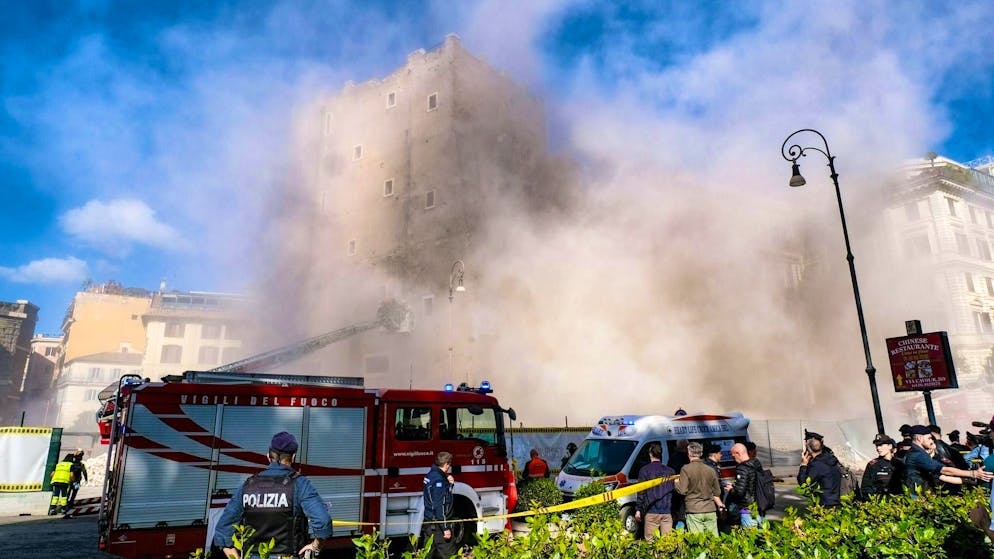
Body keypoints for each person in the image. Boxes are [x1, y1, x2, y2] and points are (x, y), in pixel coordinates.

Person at [214, 432, 330, 559]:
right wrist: (315, 546)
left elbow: (222, 531)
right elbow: (323, 521)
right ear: (294, 457)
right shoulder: (300, 484)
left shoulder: (248, 485)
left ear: (268, 456)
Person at [902, 425, 992, 495]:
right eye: (929, 438)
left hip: (923, 494)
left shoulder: (919, 454)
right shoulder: (917, 455)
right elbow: (944, 470)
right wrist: (973, 474)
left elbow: (941, 476)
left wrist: (970, 481)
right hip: (918, 495)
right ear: (919, 438)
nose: (932, 441)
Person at [674, 442, 723, 535]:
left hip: (694, 510)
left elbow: (682, 490)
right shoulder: (710, 470)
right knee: (713, 541)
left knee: (698, 542)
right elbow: (717, 491)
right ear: (701, 453)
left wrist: (676, 483)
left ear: (689, 454)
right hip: (710, 509)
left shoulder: (686, 469)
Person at [634, 442, 676, 540]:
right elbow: (674, 492)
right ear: (661, 455)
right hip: (666, 512)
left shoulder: (644, 471)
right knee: (667, 543)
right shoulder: (670, 471)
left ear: (650, 455)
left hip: (651, 511)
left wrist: (638, 509)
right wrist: (674, 510)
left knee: (650, 543)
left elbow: (641, 492)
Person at [422, 451, 457, 559]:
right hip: (438, 526)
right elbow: (440, 505)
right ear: (446, 465)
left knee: (428, 555)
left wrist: (449, 485)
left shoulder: (431, 475)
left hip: (429, 523)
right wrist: (445, 527)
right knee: (450, 555)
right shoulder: (439, 481)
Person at [797, 431, 842, 507]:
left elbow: (804, 483)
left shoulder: (816, 465)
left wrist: (803, 465)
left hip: (824, 505)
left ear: (808, 448)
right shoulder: (832, 459)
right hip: (837, 502)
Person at [724, 443, 764, 528]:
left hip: (747, 508)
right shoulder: (756, 463)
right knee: (762, 535)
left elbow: (740, 491)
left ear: (738, 453)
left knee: (750, 537)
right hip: (760, 504)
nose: (734, 459)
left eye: (734, 456)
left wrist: (731, 489)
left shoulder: (742, 467)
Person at [861, 434, 901, 498]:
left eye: (881, 445)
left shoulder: (899, 464)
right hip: (878, 504)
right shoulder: (872, 465)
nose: (878, 448)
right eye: (877, 445)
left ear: (890, 446)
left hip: (897, 504)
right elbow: (866, 487)